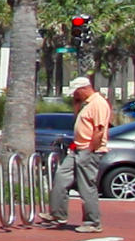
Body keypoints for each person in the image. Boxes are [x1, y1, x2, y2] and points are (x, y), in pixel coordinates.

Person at [46, 76, 110, 231]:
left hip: (89, 150)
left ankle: (92, 222)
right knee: (61, 177)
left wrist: (89, 150)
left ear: (83, 89)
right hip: (77, 149)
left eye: (76, 93)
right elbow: (79, 127)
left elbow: (99, 130)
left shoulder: (98, 104)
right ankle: (58, 214)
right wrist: (76, 104)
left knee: (86, 186)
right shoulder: (85, 104)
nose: (74, 96)